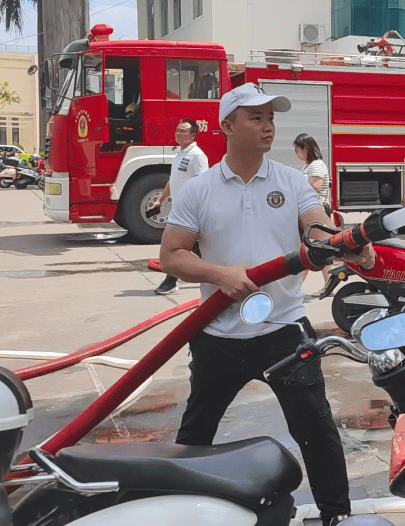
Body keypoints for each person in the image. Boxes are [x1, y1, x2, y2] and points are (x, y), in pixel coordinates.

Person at [159, 82, 375, 526]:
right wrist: (221, 274)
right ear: (227, 126)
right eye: (255, 118)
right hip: (218, 333)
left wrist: (344, 246)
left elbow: (316, 230)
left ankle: (338, 516)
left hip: (284, 331)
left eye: (271, 118)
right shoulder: (199, 190)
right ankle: (172, 511)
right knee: (195, 435)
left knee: (316, 429)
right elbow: (172, 255)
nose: (268, 126)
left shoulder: (291, 182)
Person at [148, 119, 209, 295]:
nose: (178, 133)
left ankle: (171, 280)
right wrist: (160, 200)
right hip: (179, 208)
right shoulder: (179, 154)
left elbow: (204, 184)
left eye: (182, 131)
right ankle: (220, 272)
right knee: (198, 247)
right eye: (177, 130)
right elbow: (173, 181)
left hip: (190, 210)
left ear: (193, 135)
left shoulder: (197, 155)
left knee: (175, 246)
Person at [294, 133, 332, 292]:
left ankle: (295, 289)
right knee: (317, 250)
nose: (297, 153)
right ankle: (329, 284)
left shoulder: (316, 165)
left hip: (314, 213)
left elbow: (316, 187)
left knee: (307, 251)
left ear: (305, 149)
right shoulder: (309, 166)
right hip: (312, 213)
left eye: (297, 149)